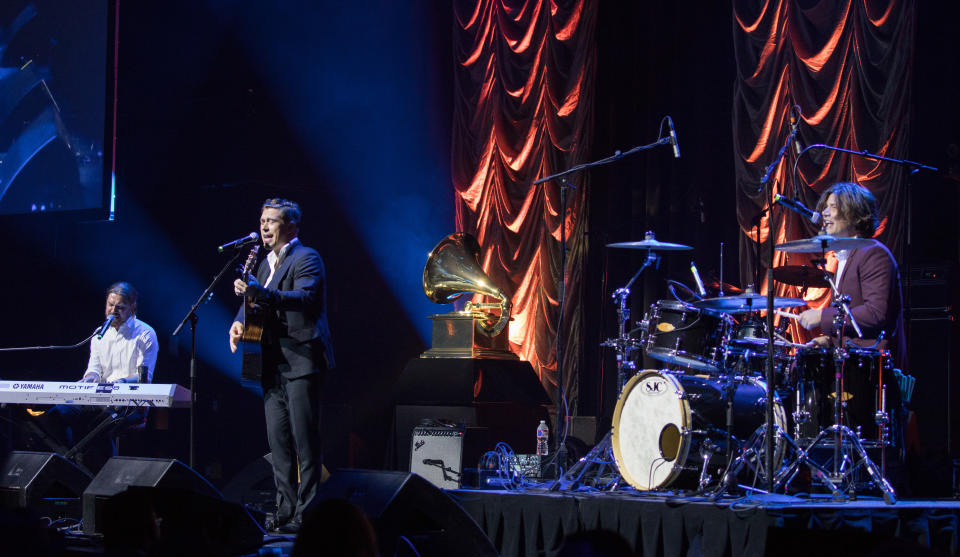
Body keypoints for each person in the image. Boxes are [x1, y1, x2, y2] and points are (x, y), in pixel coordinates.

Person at [229, 198, 335, 534]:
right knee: (279, 444)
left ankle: (309, 514)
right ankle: (286, 511)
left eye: (271, 221)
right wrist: (238, 321)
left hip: (301, 360)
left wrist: (260, 293)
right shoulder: (264, 264)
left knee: (305, 442)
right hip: (271, 364)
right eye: (262, 220)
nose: (263, 226)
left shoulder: (307, 258)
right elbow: (255, 304)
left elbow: (304, 299)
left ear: (290, 226)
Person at [40, 281, 158, 470]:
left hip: (129, 403)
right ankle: (71, 463)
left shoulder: (145, 334)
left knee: (97, 429)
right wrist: (90, 378)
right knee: (53, 417)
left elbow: (145, 378)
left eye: (120, 307)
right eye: (110, 305)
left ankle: (102, 484)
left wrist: (120, 382)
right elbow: (93, 369)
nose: (113, 311)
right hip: (97, 398)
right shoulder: (98, 335)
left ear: (132, 308)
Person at [797, 182, 907, 367]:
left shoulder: (873, 253)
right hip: (853, 363)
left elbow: (875, 314)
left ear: (856, 215)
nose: (825, 213)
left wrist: (822, 316)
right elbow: (852, 322)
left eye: (833, 207)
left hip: (873, 370)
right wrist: (829, 341)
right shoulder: (845, 257)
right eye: (825, 207)